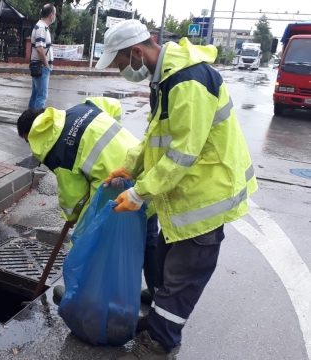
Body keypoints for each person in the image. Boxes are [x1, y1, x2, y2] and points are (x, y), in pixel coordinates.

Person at [95, 20, 258, 359]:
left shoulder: (187, 81)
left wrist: (139, 193)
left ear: (137, 52)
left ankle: (161, 342)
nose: (121, 70)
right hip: (183, 195)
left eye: (121, 63)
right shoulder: (167, 78)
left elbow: (183, 152)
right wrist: (131, 166)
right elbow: (155, 136)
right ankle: (159, 323)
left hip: (204, 197)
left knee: (182, 278)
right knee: (168, 267)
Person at [16, 97, 159, 302]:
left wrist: (73, 217)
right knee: (149, 236)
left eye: (27, 141)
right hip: (144, 168)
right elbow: (113, 106)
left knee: (87, 239)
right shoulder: (81, 109)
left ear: (31, 135)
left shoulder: (54, 148)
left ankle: (79, 294)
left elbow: (74, 198)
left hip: (112, 183)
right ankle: (157, 292)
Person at [28, 4, 56, 109]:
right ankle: (37, 122)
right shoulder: (41, 28)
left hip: (39, 66)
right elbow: (40, 49)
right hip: (41, 66)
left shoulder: (42, 27)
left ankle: (30, 120)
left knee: (36, 95)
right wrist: (46, 65)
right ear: (51, 15)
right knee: (42, 96)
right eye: (55, 14)